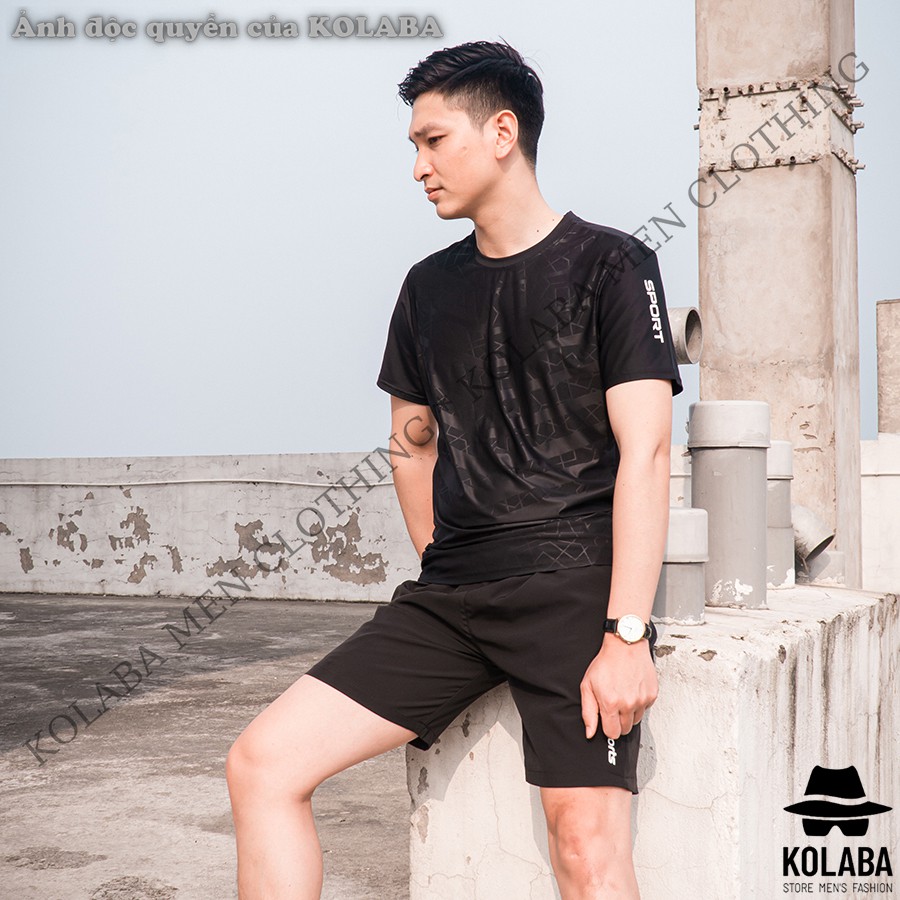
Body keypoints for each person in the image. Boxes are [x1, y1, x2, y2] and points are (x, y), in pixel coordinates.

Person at [226, 39, 683, 899]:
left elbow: (648, 451)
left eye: (433, 141)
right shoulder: (426, 287)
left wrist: (626, 633)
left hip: (573, 590)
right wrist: (444, 556)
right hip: (450, 595)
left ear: (502, 132)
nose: (418, 168)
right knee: (262, 764)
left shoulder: (614, 264)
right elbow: (412, 441)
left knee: (585, 846)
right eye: (414, 146)